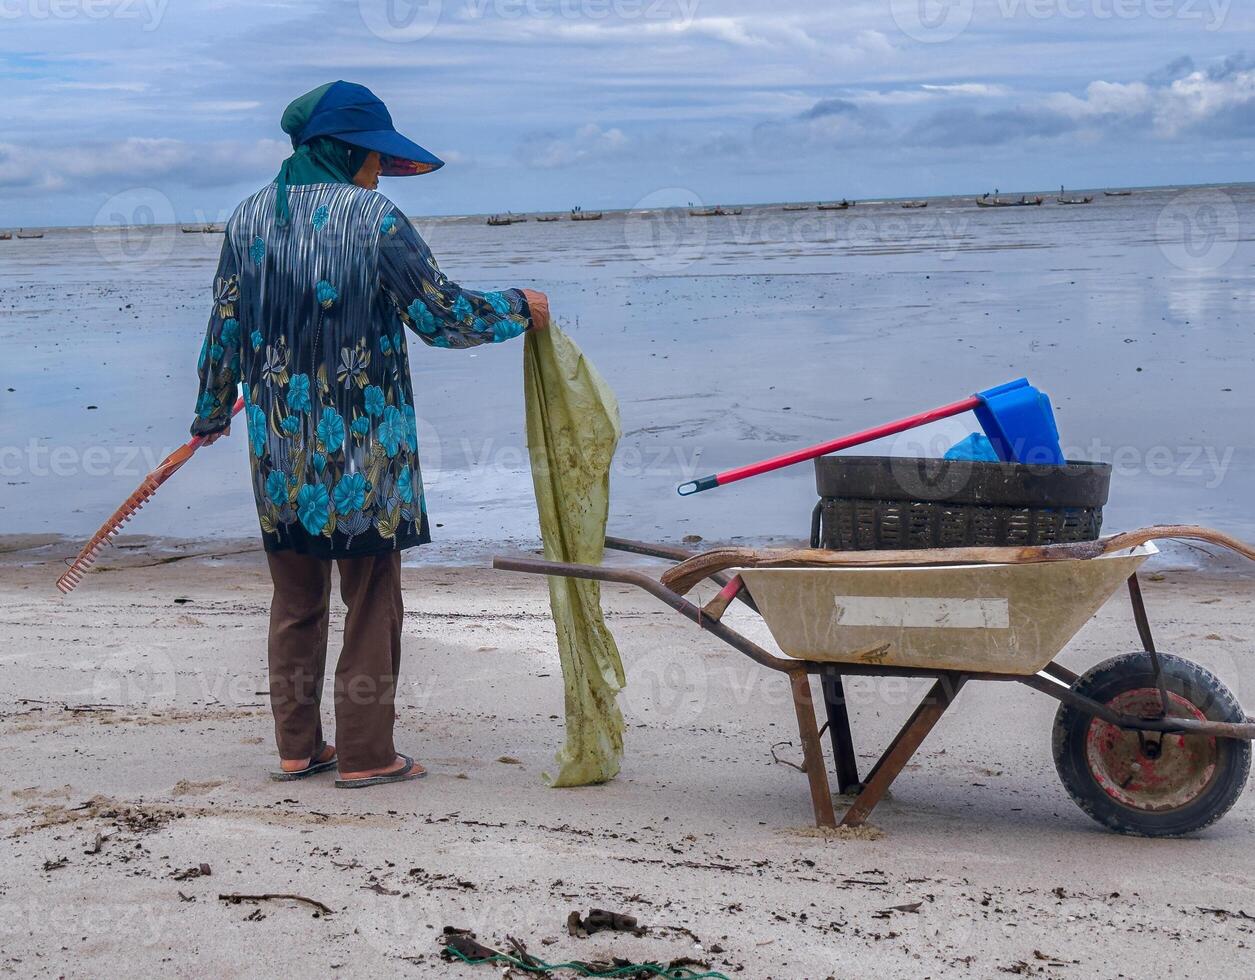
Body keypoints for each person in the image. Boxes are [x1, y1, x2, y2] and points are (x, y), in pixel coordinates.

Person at [190, 81, 550, 788]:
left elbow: (224, 325)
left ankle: (298, 749)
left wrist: (208, 410)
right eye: (374, 157)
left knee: (295, 600)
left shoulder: (247, 218)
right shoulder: (376, 222)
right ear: (349, 149)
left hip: (279, 448)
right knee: (372, 599)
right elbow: (442, 316)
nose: (379, 171)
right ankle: (365, 755)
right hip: (365, 452)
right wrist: (518, 306)